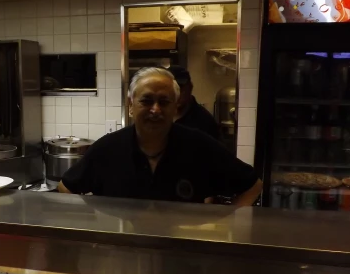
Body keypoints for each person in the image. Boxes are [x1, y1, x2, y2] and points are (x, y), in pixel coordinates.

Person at [58, 67, 262, 206]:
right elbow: (65, 188)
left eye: (164, 102)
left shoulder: (199, 146)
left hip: (182, 259)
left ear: (175, 107)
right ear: (131, 107)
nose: (155, 110)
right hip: (122, 256)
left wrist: (229, 224)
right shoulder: (107, 149)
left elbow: (253, 186)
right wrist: (94, 224)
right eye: (146, 101)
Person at [169, 67, 221, 141]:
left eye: (180, 88)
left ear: (190, 87)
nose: (176, 93)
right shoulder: (162, 115)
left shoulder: (204, 121)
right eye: (172, 89)